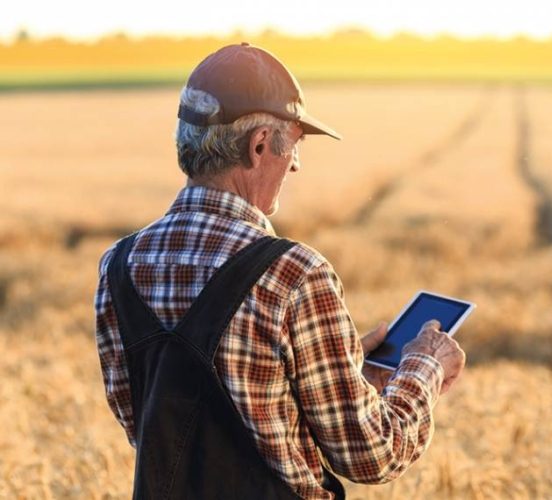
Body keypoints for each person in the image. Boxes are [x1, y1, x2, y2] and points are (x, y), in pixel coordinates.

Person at [93, 43, 466, 499]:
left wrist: (347, 375)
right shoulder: (294, 274)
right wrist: (424, 366)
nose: (296, 162)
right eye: (294, 144)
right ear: (259, 145)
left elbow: (157, 428)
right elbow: (373, 454)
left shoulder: (118, 266)